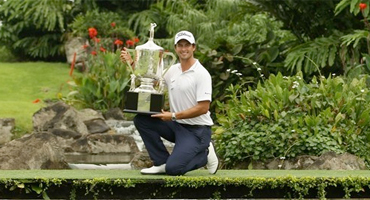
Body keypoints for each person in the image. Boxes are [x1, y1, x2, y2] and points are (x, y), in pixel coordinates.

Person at [120, 30, 218, 176]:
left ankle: (205, 154)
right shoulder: (173, 70)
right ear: (175, 48)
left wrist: (172, 116)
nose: (183, 49)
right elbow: (151, 80)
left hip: (197, 131)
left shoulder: (201, 74)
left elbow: (203, 108)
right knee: (142, 120)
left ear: (193, 47)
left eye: (187, 45)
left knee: (174, 169)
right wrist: (132, 63)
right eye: (180, 45)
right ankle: (161, 161)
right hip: (177, 126)